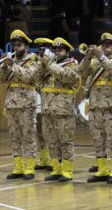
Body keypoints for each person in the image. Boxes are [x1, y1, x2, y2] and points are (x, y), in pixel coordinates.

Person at [78, 33, 112, 184]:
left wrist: (101, 57)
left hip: (110, 106)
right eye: (103, 45)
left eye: (107, 45)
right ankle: (102, 170)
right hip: (95, 106)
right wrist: (87, 57)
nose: (103, 47)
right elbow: (80, 72)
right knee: (98, 140)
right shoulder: (94, 62)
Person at [34, 37, 80, 182]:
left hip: (64, 110)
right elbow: (34, 78)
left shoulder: (72, 64)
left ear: (67, 52)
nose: (57, 53)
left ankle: (67, 171)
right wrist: (42, 64)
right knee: (51, 141)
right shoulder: (48, 65)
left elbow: (67, 77)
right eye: (55, 50)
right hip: (47, 110)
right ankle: (56, 169)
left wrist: (49, 64)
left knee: (65, 141)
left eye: (60, 50)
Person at [0, 29, 38, 180]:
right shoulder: (12, 61)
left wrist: (12, 65)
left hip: (27, 103)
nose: (16, 48)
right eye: (14, 45)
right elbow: (0, 79)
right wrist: (3, 66)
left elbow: (28, 77)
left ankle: (30, 167)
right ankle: (18, 167)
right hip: (12, 104)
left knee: (28, 136)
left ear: (26, 46)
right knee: (15, 137)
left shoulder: (33, 59)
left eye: (19, 45)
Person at [33, 37, 54, 171]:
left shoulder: (55, 62)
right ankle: (44, 160)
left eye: (44, 49)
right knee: (40, 132)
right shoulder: (36, 62)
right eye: (40, 49)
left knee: (52, 133)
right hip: (38, 100)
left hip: (52, 102)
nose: (41, 52)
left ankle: (54, 161)